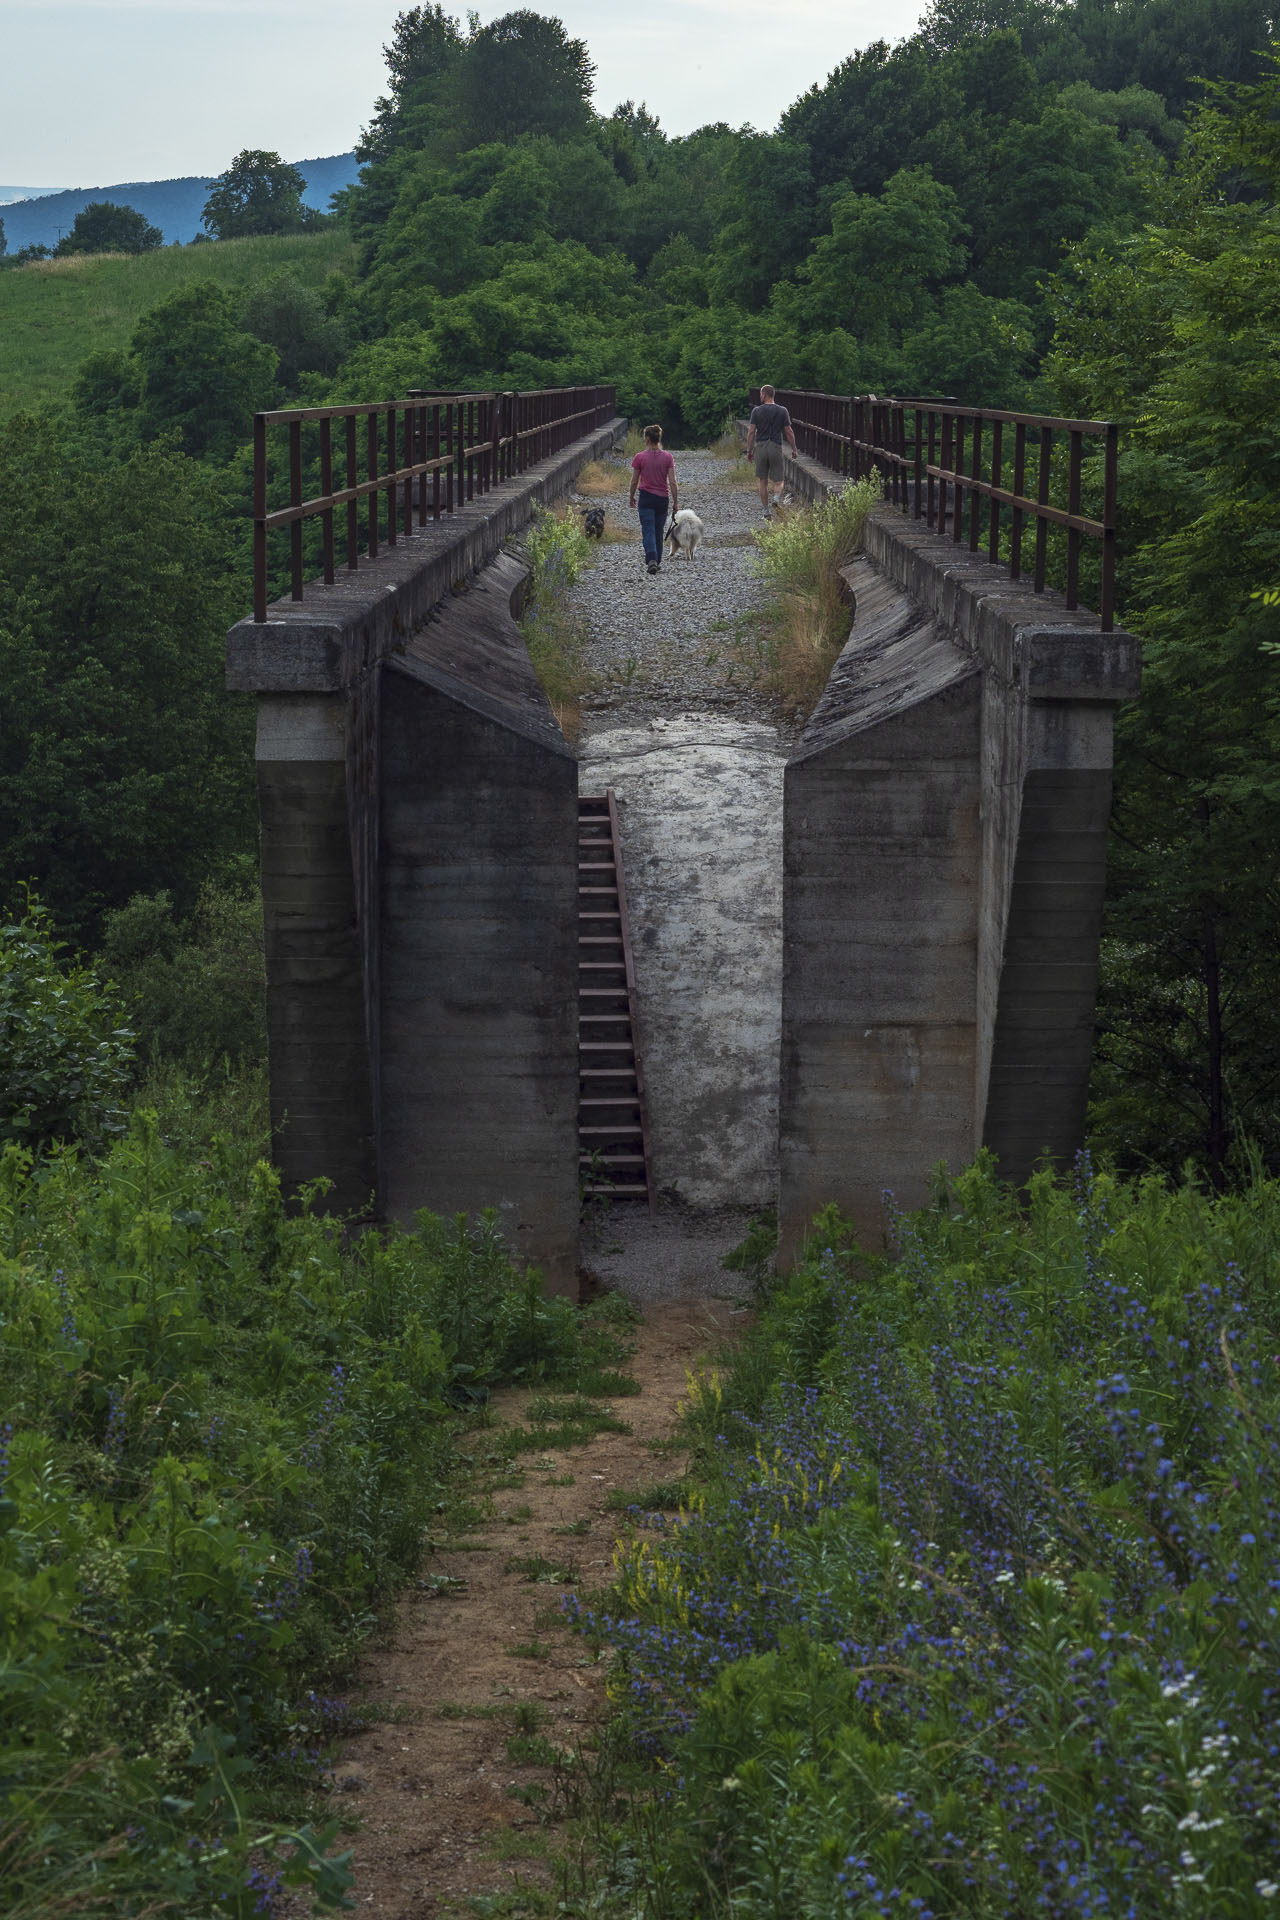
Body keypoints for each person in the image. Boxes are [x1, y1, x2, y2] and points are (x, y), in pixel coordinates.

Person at [629, 423, 678, 576]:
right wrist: (676, 502)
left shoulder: (640, 457)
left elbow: (634, 480)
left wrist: (631, 496)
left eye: (645, 437)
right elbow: (673, 481)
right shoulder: (668, 457)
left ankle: (651, 559)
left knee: (648, 530)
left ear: (648, 439)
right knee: (658, 530)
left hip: (646, 498)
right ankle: (656, 560)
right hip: (662, 499)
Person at [744, 384, 798, 516]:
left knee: (763, 481)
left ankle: (765, 511)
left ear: (764, 394)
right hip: (775, 446)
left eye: (761, 394)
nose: (760, 396)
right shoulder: (782, 411)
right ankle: (776, 499)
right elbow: (789, 432)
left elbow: (751, 432)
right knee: (779, 480)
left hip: (761, 447)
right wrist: (794, 449)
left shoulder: (756, 411)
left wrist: (749, 451)